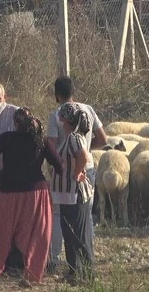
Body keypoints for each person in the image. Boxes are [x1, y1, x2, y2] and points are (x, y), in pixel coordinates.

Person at [0, 107, 63, 288]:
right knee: (36, 234)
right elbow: (58, 164)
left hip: (7, 192)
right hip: (36, 193)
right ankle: (32, 276)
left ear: (15, 123)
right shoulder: (40, 140)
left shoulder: (6, 138)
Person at [45, 76, 107, 271]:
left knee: (59, 215)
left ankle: (55, 259)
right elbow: (103, 138)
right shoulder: (88, 109)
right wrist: (86, 151)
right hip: (88, 168)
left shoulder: (57, 114)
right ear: (73, 91)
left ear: (57, 95)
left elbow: (52, 147)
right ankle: (87, 257)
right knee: (85, 214)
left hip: (67, 174)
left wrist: (67, 165)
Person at [51, 102, 95, 281]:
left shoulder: (73, 138)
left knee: (77, 234)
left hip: (73, 193)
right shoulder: (74, 137)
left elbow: (82, 156)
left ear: (66, 119)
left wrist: (76, 173)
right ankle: (74, 271)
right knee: (71, 233)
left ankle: (85, 272)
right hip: (66, 195)